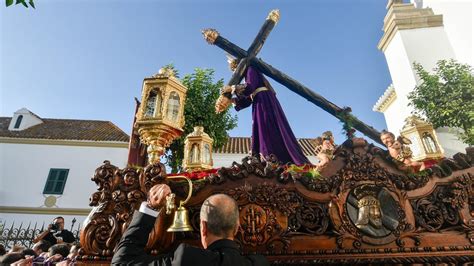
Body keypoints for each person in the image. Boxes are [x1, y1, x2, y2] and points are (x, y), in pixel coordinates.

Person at [112, 184, 269, 265]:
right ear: (237, 227)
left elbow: (122, 263)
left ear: (203, 227)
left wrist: (151, 209)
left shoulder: (186, 259)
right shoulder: (260, 263)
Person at [216, 63, 309, 165]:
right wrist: (231, 101)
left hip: (265, 100)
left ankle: (273, 157)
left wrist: (232, 87)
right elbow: (247, 99)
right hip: (259, 101)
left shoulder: (251, 69)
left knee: (266, 126)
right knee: (261, 128)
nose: (235, 73)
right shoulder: (247, 78)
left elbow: (250, 87)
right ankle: (266, 158)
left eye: (235, 70)